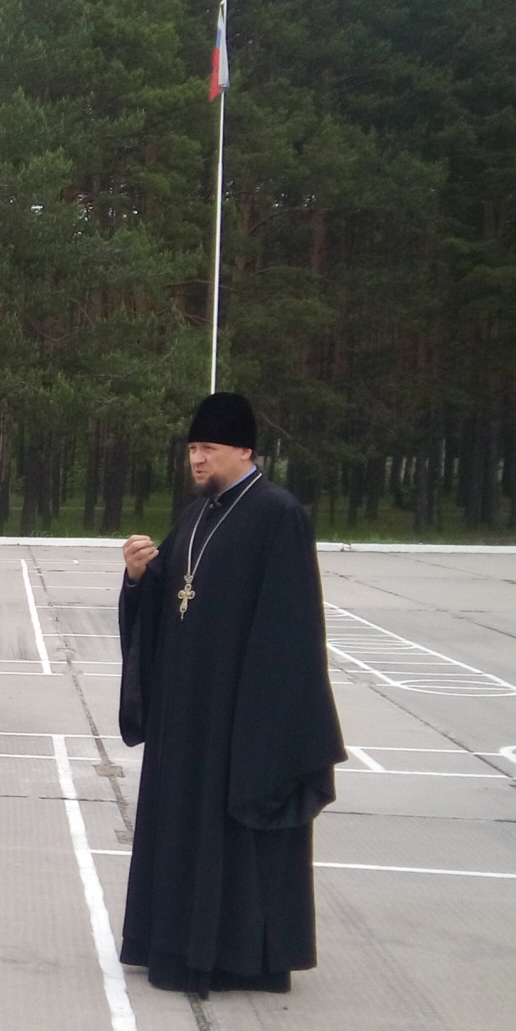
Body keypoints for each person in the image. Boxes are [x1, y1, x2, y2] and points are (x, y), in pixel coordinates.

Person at [118, 391, 346, 993]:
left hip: (242, 715)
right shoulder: (195, 516)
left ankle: (237, 957)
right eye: (192, 448)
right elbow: (174, 600)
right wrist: (141, 577)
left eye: (208, 449)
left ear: (244, 450)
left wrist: (261, 720)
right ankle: (172, 942)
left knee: (232, 831)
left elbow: (292, 629)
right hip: (186, 713)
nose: (196, 460)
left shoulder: (278, 515)